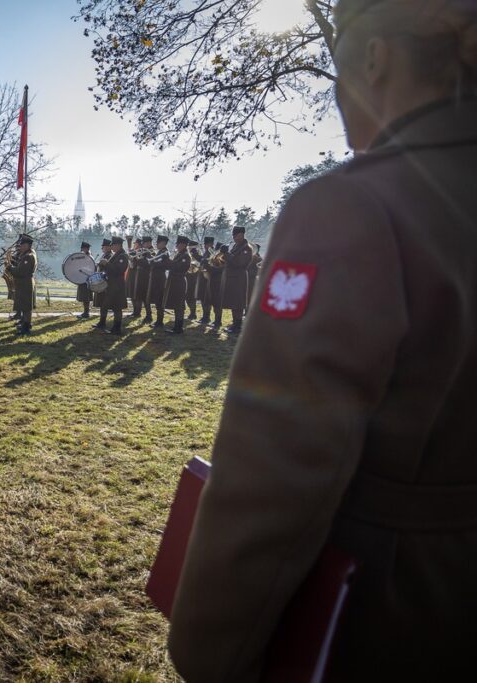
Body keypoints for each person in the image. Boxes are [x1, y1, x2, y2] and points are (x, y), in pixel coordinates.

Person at [169, 1, 477, 681]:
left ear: (375, 60)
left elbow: (278, 472)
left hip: (384, 620)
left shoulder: (352, 209)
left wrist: (206, 648)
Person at [219, 226, 253, 334]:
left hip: (239, 278)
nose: (234, 238)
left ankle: (238, 326)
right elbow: (228, 261)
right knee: (234, 302)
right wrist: (223, 254)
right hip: (232, 278)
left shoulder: (246, 248)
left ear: (242, 235)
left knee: (238, 303)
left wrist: (227, 254)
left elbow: (240, 263)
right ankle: (235, 325)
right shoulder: (236, 246)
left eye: (236, 235)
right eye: (233, 235)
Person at [95, 236, 129, 334]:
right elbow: (110, 269)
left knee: (117, 307)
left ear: (118, 245)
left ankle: (117, 328)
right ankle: (103, 323)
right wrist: (102, 264)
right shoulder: (116, 255)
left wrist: (107, 264)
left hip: (117, 286)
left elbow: (119, 270)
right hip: (111, 285)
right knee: (107, 305)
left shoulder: (123, 256)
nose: (111, 247)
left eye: (113, 245)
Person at [8, 234, 37, 335]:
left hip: (25, 283)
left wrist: (10, 268)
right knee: (24, 306)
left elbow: (20, 272)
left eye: (23, 245)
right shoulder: (26, 255)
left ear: (28, 245)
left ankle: (26, 327)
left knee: (26, 307)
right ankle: (25, 324)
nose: (21, 246)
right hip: (24, 283)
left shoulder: (28, 257)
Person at [163, 236, 192, 334]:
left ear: (183, 244)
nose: (177, 246)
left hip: (179, 282)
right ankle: (176, 326)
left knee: (179, 306)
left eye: (178, 244)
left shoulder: (185, 256)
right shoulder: (179, 254)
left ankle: (179, 327)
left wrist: (168, 260)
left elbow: (178, 267)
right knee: (176, 305)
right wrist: (166, 261)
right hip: (175, 281)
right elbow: (170, 266)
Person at [147, 235, 171, 328]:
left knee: (159, 300)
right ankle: (158, 321)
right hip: (156, 278)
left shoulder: (165, 252)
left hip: (160, 279)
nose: (156, 244)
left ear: (163, 243)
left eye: (158, 242)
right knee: (157, 300)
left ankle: (159, 321)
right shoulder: (161, 251)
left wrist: (154, 263)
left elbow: (165, 265)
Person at [132, 236, 154, 322]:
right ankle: (137, 312)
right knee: (139, 296)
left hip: (146, 276)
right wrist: (135, 258)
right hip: (140, 275)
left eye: (144, 243)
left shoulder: (152, 252)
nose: (143, 245)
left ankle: (149, 316)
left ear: (148, 243)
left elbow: (147, 263)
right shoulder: (144, 251)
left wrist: (137, 259)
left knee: (145, 297)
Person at [194, 236, 215, 325]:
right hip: (203, 277)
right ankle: (205, 316)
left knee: (207, 299)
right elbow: (202, 260)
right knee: (203, 298)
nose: (206, 246)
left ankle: (207, 317)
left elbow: (211, 262)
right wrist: (195, 255)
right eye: (205, 244)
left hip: (209, 278)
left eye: (207, 244)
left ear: (211, 244)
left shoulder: (212, 252)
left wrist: (204, 261)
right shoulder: (206, 252)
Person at [92, 238, 111, 318]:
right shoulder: (104, 255)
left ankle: (102, 321)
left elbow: (108, 268)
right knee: (101, 302)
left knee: (104, 303)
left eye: (103, 247)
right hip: (100, 280)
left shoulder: (110, 256)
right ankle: (101, 320)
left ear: (108, 247)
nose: (102, 248)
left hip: (104, 281)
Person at [75, 241, 94, 318]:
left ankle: (86, 313)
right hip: (82, 279)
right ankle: (85, 312)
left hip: (86, 279)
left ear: (86, 249)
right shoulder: (84, 256)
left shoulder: (89, 257)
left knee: (86, 297)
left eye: (82, 248)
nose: (81, 250)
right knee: (84, 297)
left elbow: (90, 269)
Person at [184, 240, 201, 322]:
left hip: (194, 276)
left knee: (192, 295)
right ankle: (192, 312)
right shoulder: (188, 254)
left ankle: (193, 313)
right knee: (187, 296)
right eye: (189, 248)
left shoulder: (198, 254)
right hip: (188, 275)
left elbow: (199, 263)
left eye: (191, 248)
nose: (189, 249)